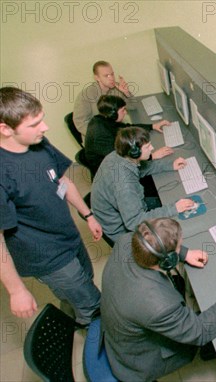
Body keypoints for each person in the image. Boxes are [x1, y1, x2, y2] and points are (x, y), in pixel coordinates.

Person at [101, 218, 216, 381]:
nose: (180, 249)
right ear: (167, 260)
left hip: (120, 334)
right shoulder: (159, 305)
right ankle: (207, 351)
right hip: (139, 361)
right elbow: (200, 331)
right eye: (178, 247)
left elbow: (152, 245)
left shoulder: (126, 241)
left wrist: (184, 253)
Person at [0, 87, 102, 326]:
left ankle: (75, 316)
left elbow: (62, 181)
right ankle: (100, 340)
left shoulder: (39, 143)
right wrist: (16, 291)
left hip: (69, 237)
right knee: (92, 304)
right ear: (5, 129)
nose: (44, 128)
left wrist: (88, 215)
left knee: (84, 283)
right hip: (46, 257)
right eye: (34, 124)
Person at [91, 127, 196, 243]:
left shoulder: (119, 154)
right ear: (135, 152)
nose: (152, 148)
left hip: (124, 211)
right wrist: (174, 208)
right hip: (121, 229)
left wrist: (170, 165)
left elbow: (139, 169)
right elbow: (134, 222)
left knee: (167, 203)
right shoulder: (124, 184)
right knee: (177, 232)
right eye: (147, 147)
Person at [85, 95, 172, 178]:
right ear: (113, 113)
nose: (126, 112)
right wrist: (152, 156)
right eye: (123, 110)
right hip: (112, 174)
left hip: (117, 163)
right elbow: (123, 159)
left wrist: (152, 126)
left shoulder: (105, 119)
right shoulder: (100, 135)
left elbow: (127, 128)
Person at [73, 60, 131, 139]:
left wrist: (126, 93)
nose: (111, 78)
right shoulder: (86, 95)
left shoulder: (117, 88)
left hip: (116, 130)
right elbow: (80, 122)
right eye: (106, 76)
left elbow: (133, 108)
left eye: (112, 74)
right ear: (97, 78)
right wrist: (103, 135)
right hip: (98, 137)